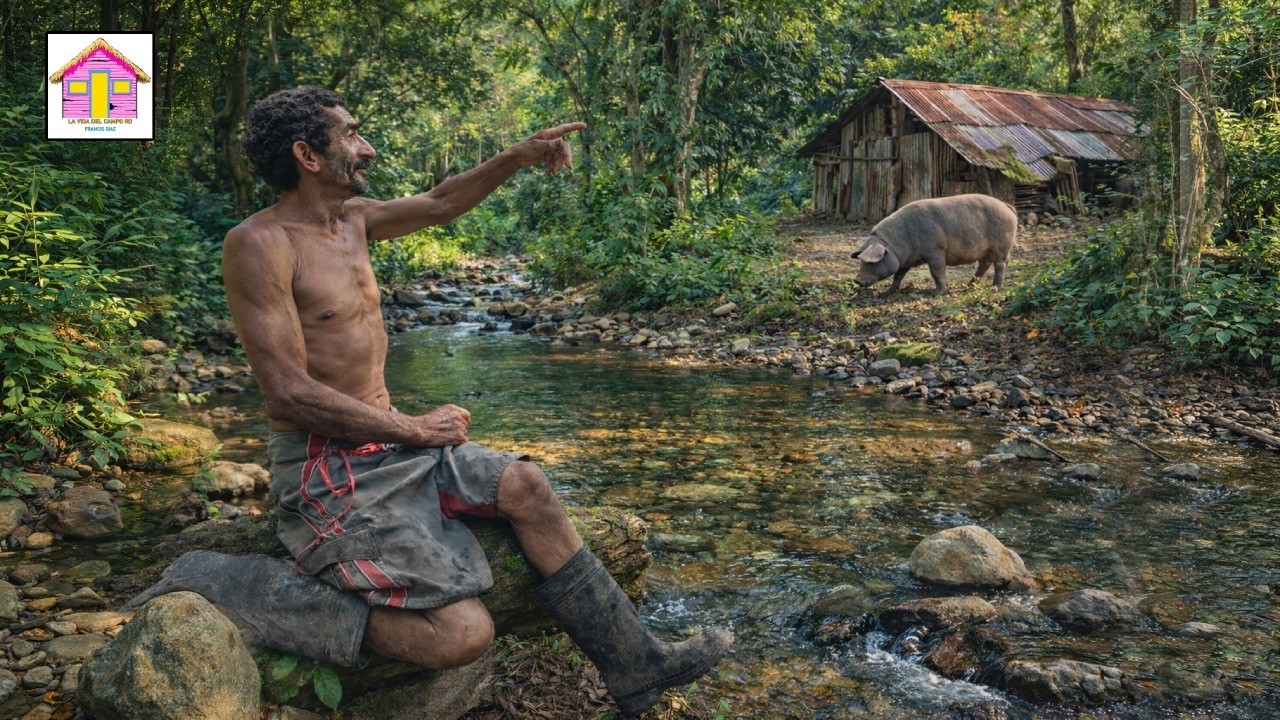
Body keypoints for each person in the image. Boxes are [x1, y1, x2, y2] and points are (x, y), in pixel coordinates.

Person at [128, 86, 731, 717]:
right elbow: (289, 392)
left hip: (393, 443)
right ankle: (236, 582)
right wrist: (411, 428)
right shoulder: (259, 243)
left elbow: (442, 203)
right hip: (326, 468)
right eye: (351, 135)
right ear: (307, 155)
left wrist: (517, 157)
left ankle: (636, 666)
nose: (367, 148)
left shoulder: (356, 218)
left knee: (527, 485)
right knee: (464, 635)